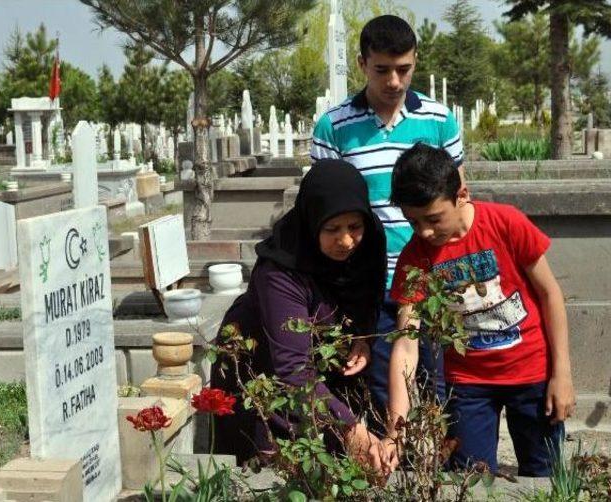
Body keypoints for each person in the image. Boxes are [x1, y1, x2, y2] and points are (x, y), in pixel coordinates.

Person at [384, 143, 575, 476]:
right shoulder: (414, 260)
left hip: (532, 374)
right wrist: (394, 430)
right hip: (469, 384)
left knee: (545, 474)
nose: (424, 232)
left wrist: (563, 374)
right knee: (470, 477)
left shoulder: (506, 223)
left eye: (433, 219)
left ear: (461, 195)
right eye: (412, 222)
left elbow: (550, 294)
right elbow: (405, 344)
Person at [311, 14, 464, 416]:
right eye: (382, 70)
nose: (394, 81)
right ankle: (395, 464)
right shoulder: (334, 127)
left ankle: (434, 472)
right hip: (371, 282)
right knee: (385, 387)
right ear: (363, 64)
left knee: (437, 386)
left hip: (431, 279)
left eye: (404, 69)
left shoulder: (439, 120)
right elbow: (324, 207)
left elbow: (458, 198)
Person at [211, 159, 388, 471]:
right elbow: (292, 370)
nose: (346, 240)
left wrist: (362, 336)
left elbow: (368, 295)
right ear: (311, 221)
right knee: (276, 465)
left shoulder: (370, 241)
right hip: (267, 372)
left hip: (322, 370)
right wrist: (350, 427)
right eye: (332, 229)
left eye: (354, 227)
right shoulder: (280, 271)